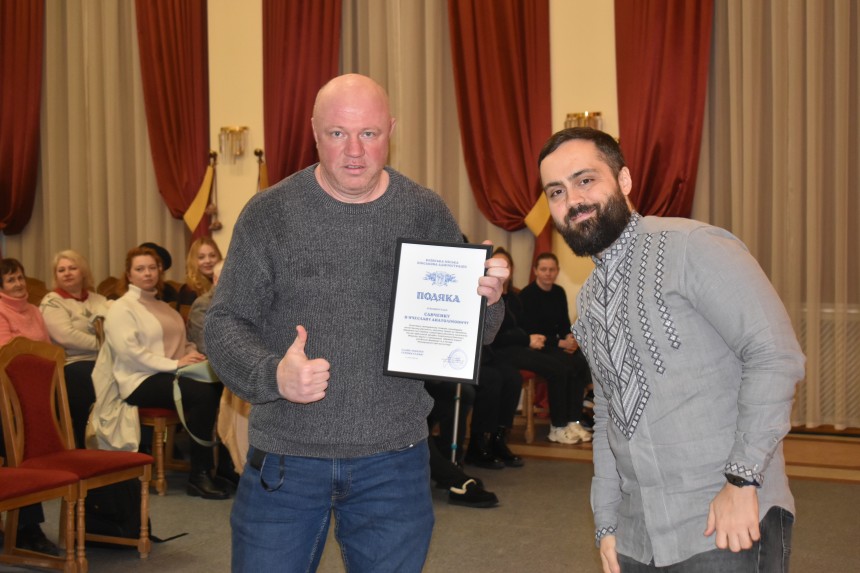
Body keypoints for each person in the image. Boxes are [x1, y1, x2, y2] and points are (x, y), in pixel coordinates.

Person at [205, 73, 508, 572]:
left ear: (391, 131)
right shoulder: (269, 213)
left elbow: (470, 330)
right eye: (337, 133)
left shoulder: (423, 210)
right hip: (287, 458)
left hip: (394, 460)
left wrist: (489, 301)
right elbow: (224, 323)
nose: (354, 151)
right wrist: (272, 374)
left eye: (369, 133)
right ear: (314, 132)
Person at [538, 126, 805, 572]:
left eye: (585, 180)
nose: (573, 200)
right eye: (557, 191)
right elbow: (608, 412)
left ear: (624, 180)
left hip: (724, 520)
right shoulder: (589, 299)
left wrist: (742, 481)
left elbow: (774, 355)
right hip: (638, 536)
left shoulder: (692, 246)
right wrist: (607, 522)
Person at [102, 246, 228, 500]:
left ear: (159, 271)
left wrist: (194, 355)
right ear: (129, 274)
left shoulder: (163, 307)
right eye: (140, 269)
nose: (147, 273)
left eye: (152, 268)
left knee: (224, 387)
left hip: (169, 373)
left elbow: (183, 344)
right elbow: (131, 354)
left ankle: (227, 470)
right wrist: (176, 364)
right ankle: (199, 474)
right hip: (137, 380)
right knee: (202, 393)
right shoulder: (121, 308)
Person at [0, 258, 60, 555]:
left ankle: (26, 526)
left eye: (20, 277)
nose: (19, 284)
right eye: (11, 280)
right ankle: (27, 527)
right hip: (6, 395)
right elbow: (8, 355)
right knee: (16, 446)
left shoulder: (34, 311)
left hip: (32, 394)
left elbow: (48, 352)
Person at [509, 251, 593, 444]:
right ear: (535, 271)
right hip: (537, 346)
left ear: (557, 271)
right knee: (564, 367)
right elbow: (529, 331)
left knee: (580, 362)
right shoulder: (527, 295)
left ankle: (574, 420)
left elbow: (564, 324)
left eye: (552, 269)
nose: (548, 273)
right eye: (543, 269)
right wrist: (560, 343)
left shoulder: (559, 292)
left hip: (556, 345)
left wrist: (570, 339)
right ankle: (558, 426)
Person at [39, 250, 111, 448]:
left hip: (104, 359)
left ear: (83, 272)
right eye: (61, 270)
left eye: (72, 268)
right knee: (89, 375)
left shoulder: (100, 300)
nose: (67, 273)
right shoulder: (52, 301)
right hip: (71, 363)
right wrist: (103, 345)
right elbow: (66, 336)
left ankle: (130, 441)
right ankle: (86, 441)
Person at [178, 237, 223, 322]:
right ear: (193, 261)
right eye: (201, 257)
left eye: (212, 256)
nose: (208, 261)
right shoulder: (188, 291)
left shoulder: (224, 284)